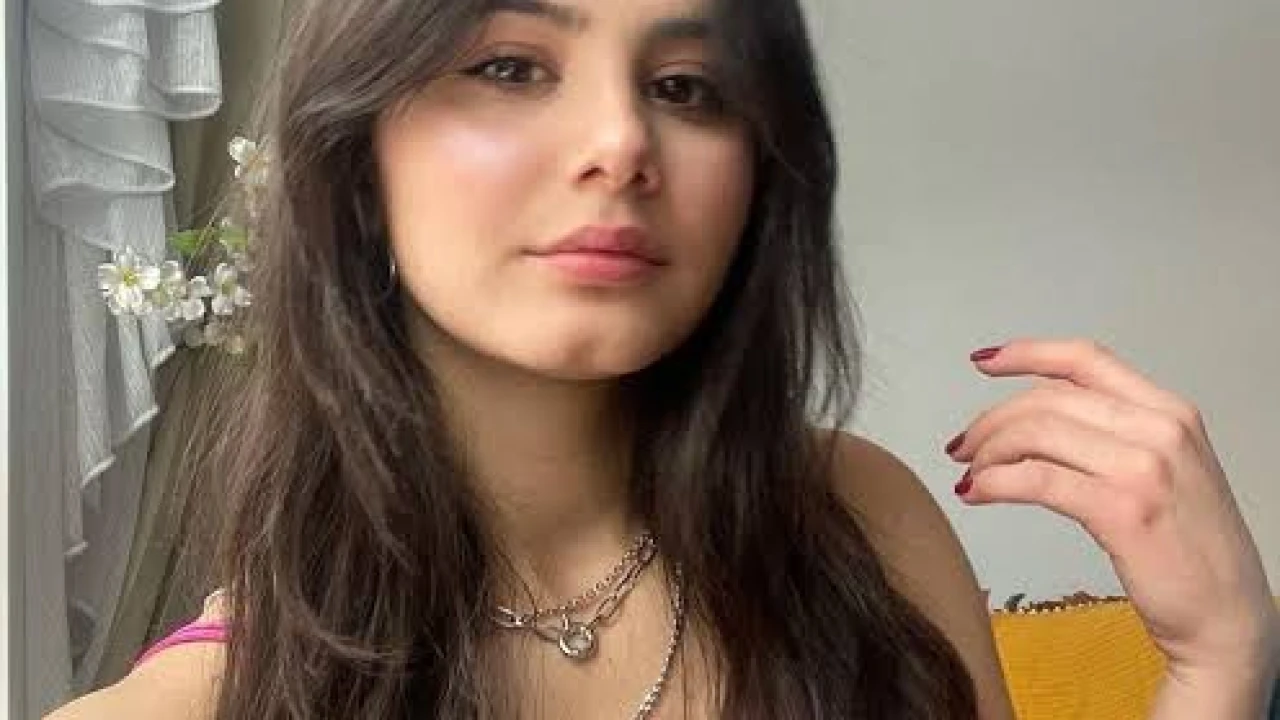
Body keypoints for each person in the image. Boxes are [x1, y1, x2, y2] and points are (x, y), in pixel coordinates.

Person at [47, 0, 1279, 717]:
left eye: (689, 86)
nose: (621, 141)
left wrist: (1215, 664)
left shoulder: (858, 522)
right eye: (510, 66)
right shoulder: (203, 702)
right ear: (354, 149)